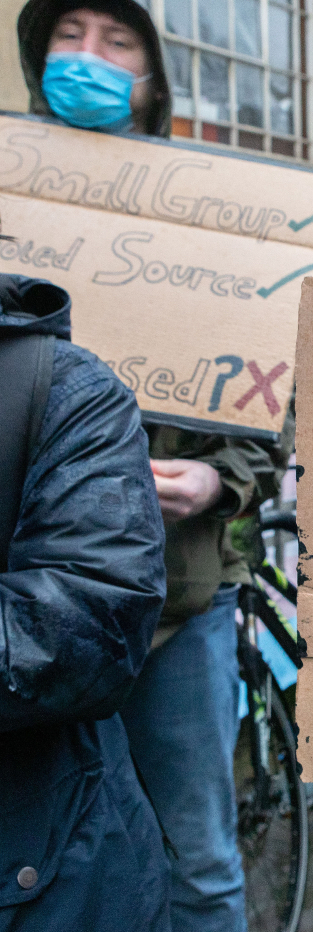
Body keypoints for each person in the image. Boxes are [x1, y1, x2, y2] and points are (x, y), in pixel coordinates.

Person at [16, 0, 288, 931]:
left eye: (117, 42)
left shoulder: (214, 224)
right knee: (40, 856)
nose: (89, 57)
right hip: (25, 604)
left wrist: (218, 479)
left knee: (195, 857)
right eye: (69, 35)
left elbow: (266, 406)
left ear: (153, 78)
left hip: (178, 604)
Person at [1, 272, 169, 931]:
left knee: (199, 832)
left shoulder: (62, 388)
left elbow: (88, 622)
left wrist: (223, 484)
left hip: (46, 857)